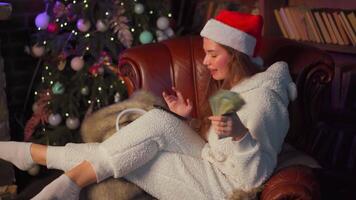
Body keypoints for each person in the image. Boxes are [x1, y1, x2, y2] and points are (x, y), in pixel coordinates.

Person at [0, 10, 297, 200]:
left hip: (222, 190)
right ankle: (36, 157)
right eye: (205, 54)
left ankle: (56, 172)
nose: (205, 63)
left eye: (212, 54)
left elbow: (253, 179)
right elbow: (216, 142)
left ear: (235, 54)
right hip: (209, 164)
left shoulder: (263, 100)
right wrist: (189, 119)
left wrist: (242, 135)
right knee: (159, 122)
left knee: (139, 155)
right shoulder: (234, 86)